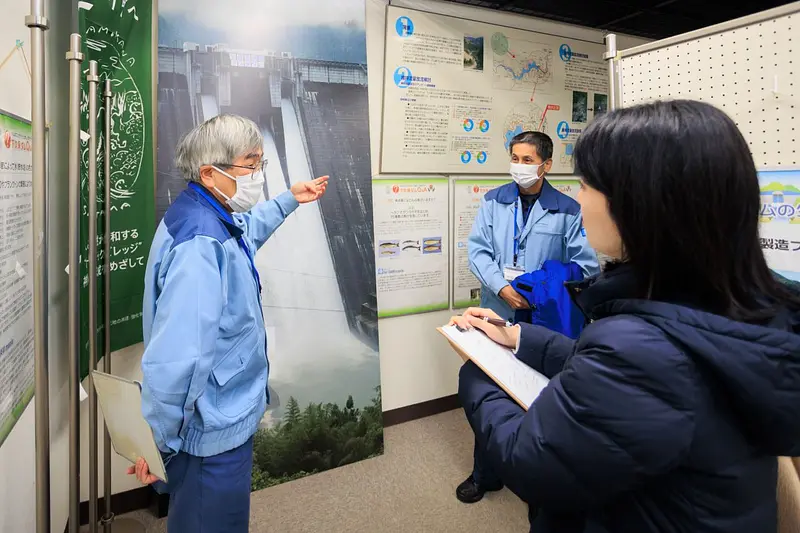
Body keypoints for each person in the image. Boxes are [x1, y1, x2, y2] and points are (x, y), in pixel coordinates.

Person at [451, 100, 800, 533]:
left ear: (638, 201)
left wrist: (480, 371)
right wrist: (517, 339)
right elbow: (615, 372)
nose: (580, 197)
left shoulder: (638, 346)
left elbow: (535, 461)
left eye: (587, 184)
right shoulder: (730, 307)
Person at [127, 114, 328, 532]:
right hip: (210, 429)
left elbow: (244, 233)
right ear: (209, 172)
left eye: (260, 163)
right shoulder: (199, 246)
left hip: (222, 414)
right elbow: (177, 361)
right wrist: (158, 442)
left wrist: (289, 199)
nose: (258, 174)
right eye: (250, 164)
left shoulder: (202, 211)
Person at [457, 131, 599, 504]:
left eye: (527, 160)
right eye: (515, 158)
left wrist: (537, 287)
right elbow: (478, 251)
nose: (519, 166)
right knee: (492, 386)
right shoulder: (493, 201)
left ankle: (537, 477)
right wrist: (502, 289)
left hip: (544, 318)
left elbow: (583, 265)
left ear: (546, 164)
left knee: (537, 393)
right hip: (498, 309)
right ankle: (484, 474)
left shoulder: (568, 209)